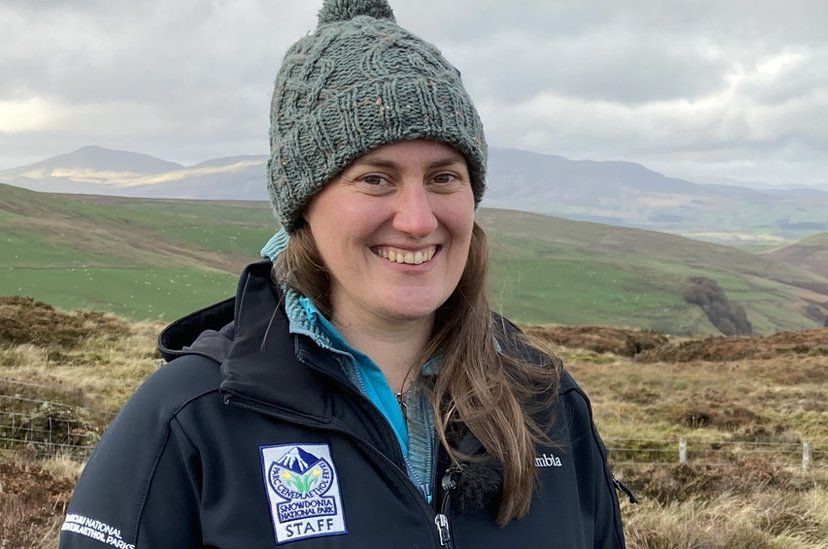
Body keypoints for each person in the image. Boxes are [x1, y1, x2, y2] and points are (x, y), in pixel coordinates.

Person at [60, 0, 628, 547]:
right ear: (304, 204)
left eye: (444, 177)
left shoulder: (548, 403)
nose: (417, 219)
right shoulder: (191, 417)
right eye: (375, 178)